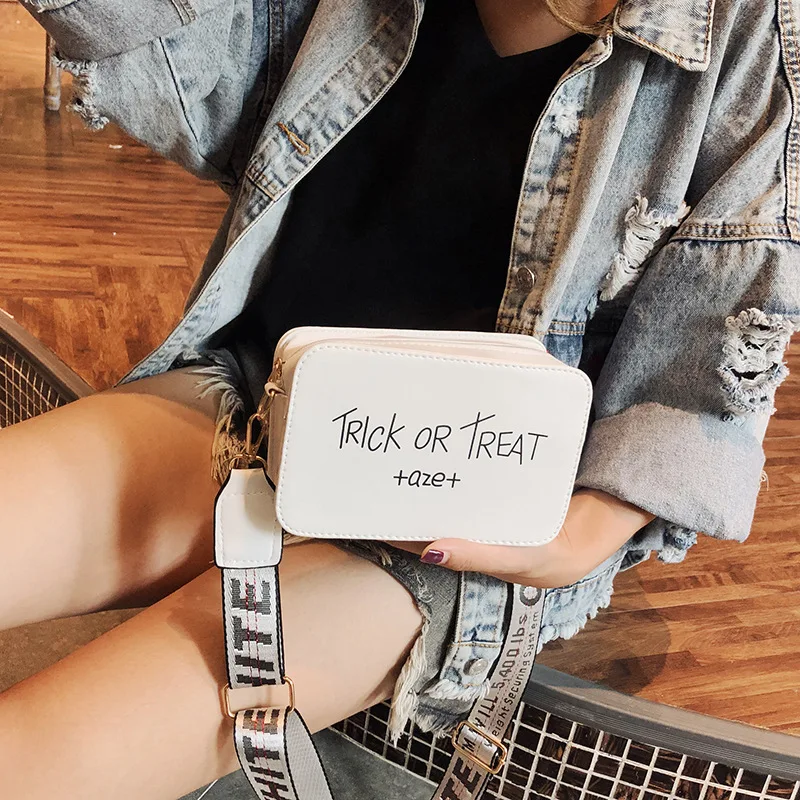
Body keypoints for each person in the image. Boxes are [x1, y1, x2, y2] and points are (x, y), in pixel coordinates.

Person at [2, 0, 797, 797]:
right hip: (258, 401)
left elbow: (720, 322)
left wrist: (582, 533)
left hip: (465, 508)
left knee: (28, 763)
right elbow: (193, 71)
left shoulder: (751, 29)